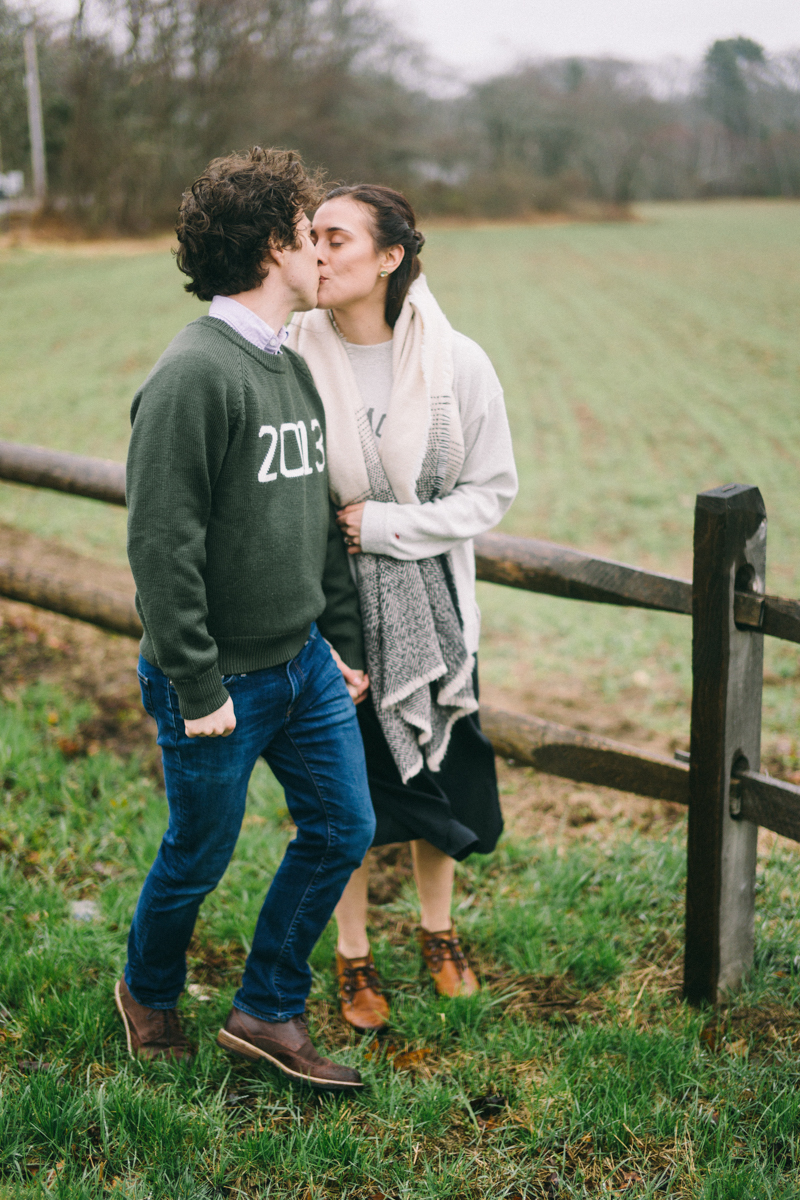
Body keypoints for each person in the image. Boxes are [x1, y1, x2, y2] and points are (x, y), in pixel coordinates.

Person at [117, 147, 376, 1091]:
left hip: (301, 663)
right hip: (217, 678)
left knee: (342, 827)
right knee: (198, 855)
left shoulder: (286, 367)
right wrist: (197, 683)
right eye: (311, 234)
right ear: (276, 244)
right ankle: (147, 990)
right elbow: (160, 549)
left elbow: (313, 521)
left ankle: (266, 1008)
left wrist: (339, 645)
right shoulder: (194, 375)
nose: (321, 254)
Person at [288, 184, 517, 1033]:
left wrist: (389, 526)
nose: (316, 251)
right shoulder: (289, 353)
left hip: (438, 613)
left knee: (437, 768)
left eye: (336, 238)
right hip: (327, 617)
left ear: (390, 257)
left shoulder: (458, 361)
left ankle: (438, 931)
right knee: (342, 787)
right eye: (310, 236)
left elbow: (491, 492)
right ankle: (352, 954)